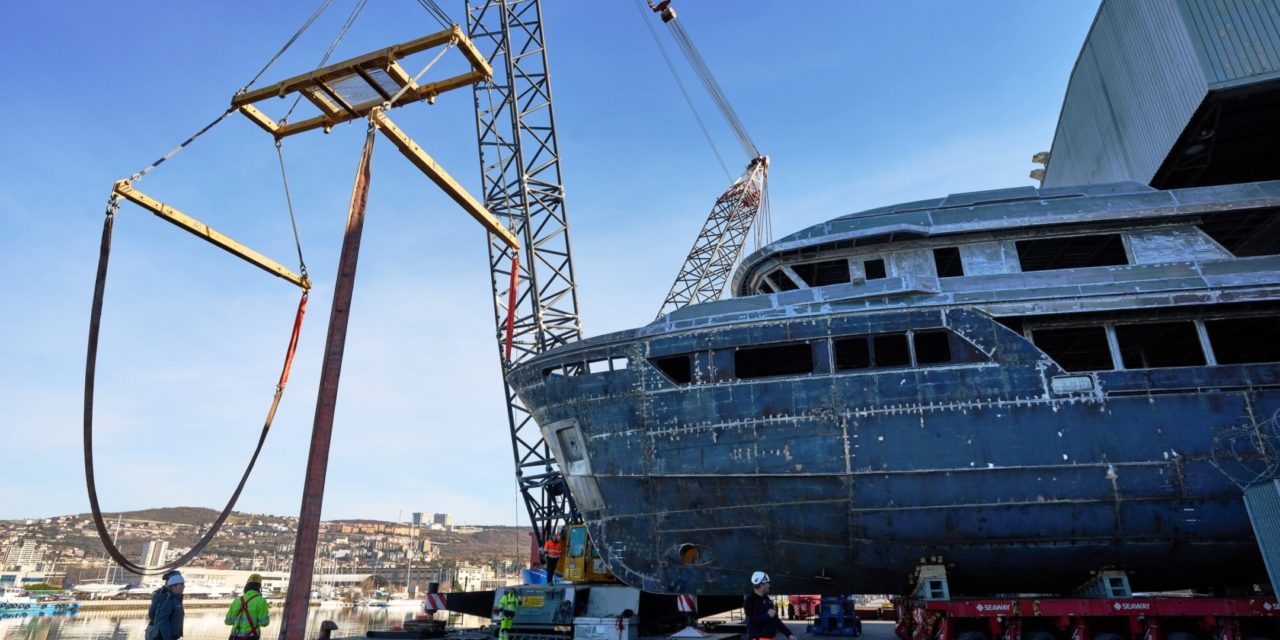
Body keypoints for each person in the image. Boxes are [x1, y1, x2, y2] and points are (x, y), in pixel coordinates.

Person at [743, 571, 796, 640]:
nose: (769, 585)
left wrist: (789, 634)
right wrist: (767, 615)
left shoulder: (767, 600)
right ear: (762, 585)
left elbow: (776, 620)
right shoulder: (750, 601)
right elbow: (750, 620)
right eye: (767, 583)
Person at [225, 573, 270, 640]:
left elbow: (228, 621)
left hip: (234, 636)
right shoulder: (261, 601)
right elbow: (264, 623)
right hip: (251, 636)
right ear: (259, 587)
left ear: (247, 586)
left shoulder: (237, 600)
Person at [148, 571, 186, 640]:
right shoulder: (169, 598)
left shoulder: (163, 595)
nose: (180, 586)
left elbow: (152, 615)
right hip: (164, 636)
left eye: (182, 584)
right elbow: (162, 620)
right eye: (176, 584)